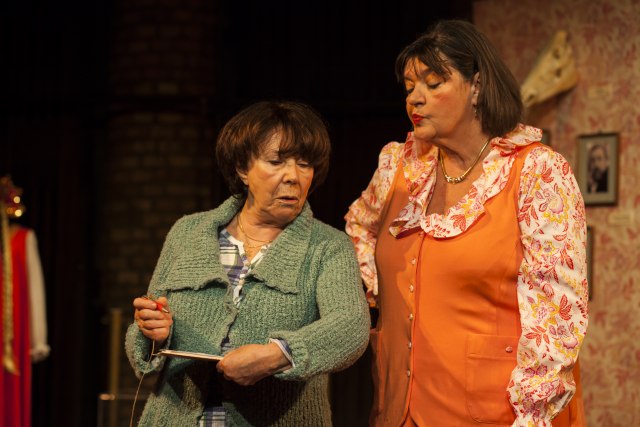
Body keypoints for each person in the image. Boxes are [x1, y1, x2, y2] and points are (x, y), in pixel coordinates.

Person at [345, 20, 588, 427]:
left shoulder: (536, 171)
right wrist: (386, 295)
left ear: (476, 86)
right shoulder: (399, 166)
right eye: (409, 87)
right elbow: (359, 229)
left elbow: (556, 311)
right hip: (397, 408)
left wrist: (530, 414)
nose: (415, 98)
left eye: (433, 83)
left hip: (493, 414)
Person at [126, 100, 370, 426]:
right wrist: (153, 332)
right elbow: (145, 335)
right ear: (242, 168)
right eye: (276, 161)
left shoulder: (327, 246)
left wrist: (278, 355)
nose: (293, 177)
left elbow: (350, 327)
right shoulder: (188, 233)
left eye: (305, 164)